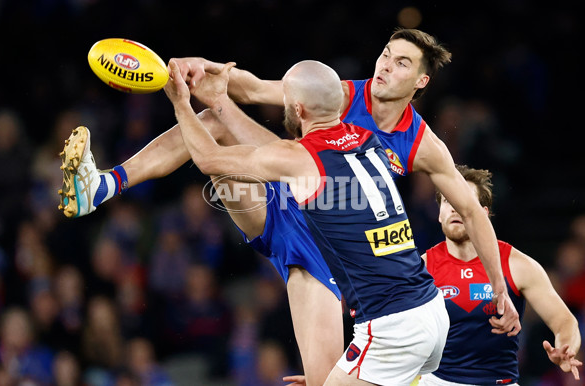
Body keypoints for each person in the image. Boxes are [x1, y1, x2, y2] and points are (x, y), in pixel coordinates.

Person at [58, 28, 521, 382]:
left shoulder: (421, 142)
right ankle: (103, 186)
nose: (384, 67)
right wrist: (208, 68)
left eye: (401, 64)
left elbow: (473, 209)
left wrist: (498, 287)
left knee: (324, 381)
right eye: (384, 55)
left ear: (420, 81)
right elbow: (257, 88)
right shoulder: (334, 93)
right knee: (214, 123)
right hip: (291, 188)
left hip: (333, 256)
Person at [166, 55, 451, 384]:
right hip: (430, 308)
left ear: (298, 110)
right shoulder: (367, 138)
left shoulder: (300, 157)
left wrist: (181, 103)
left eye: (287, 98)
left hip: (392, 325)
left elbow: (208, 158)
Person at [418, 164, 582, 385]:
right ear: (439, 213)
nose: (455, 208)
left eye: (463, 202)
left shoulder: (517, 265)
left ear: (482, 214)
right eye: (448, 201)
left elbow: (564, 321)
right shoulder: (421, 268)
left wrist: (566, 347)